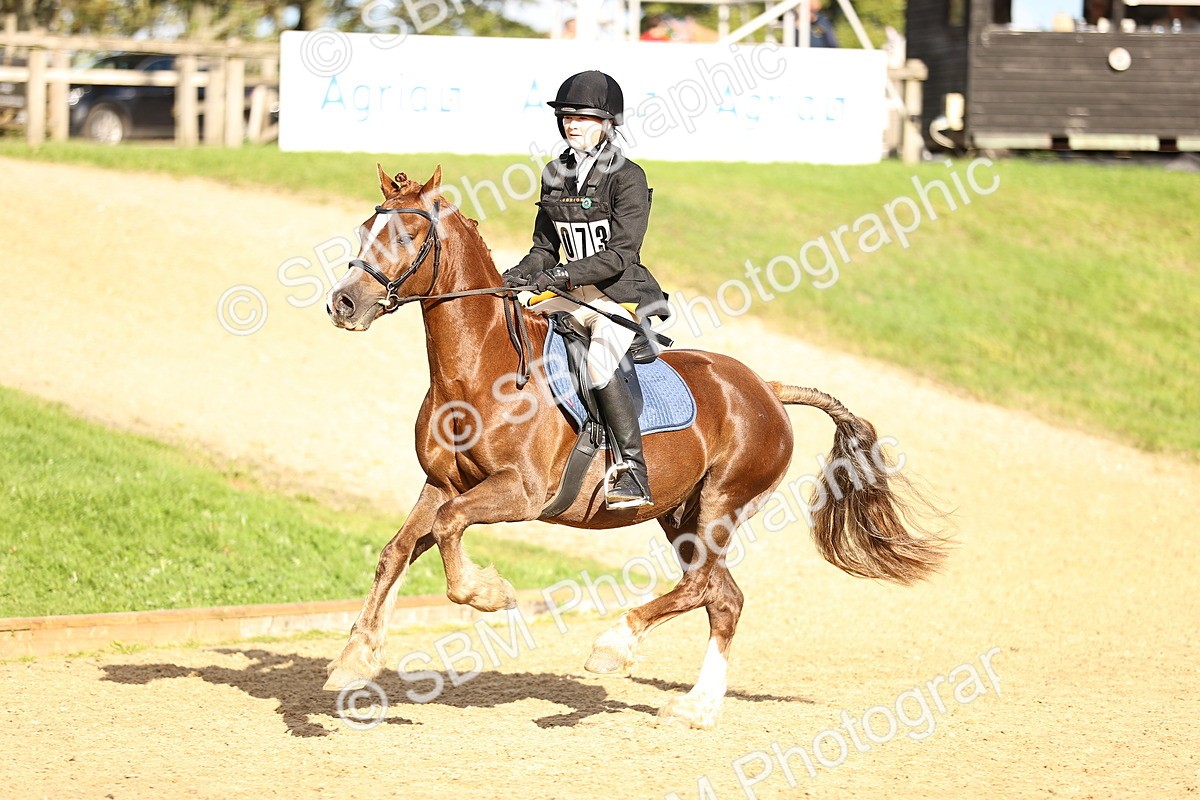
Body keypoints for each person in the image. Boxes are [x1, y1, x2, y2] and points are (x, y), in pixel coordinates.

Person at [502, 70, 669, 510]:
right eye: (566, 117)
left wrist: (561, 276)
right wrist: (517, 274)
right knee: (510, 321)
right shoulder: (555, 173)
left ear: (606, 123)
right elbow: (544, 247)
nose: (572, 124)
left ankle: (633, 469)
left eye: (583, 117)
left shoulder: (628, 177)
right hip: (571, 293)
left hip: (616, 296)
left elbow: (620, 255)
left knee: (598, 365)